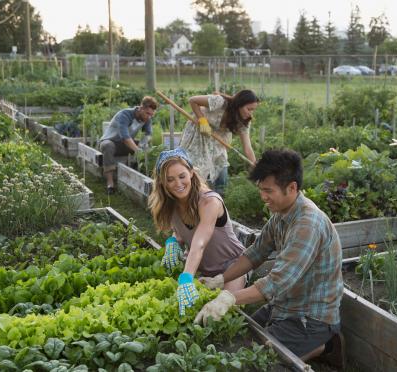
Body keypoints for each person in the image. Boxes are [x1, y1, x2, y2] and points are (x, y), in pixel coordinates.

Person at [194, 149, 345, 369]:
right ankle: (324, 347)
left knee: (253, 362)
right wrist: (220, 279)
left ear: (292, 188)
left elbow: (277, 281)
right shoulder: (282, 214)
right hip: (283, 305)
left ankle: (324, 342)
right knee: (240, 336)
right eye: (260, 189)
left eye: (268, 190)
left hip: (310, 317)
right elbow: (255, 253)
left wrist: (228, 298)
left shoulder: (308, 224)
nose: (263, 197)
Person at [147, 147, 247, 316]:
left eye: (182, 176)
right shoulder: (171, 203)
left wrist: (186, 278)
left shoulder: (209, 201)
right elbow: (181, 231)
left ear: (191, 173)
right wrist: (173, 241)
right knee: (181, 310)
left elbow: (199, 243)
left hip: (232, 267)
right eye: (170, 179)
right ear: (162, 182)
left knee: (222, 313)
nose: (178, 184)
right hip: (202, 270)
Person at [180, 90, 259, 196]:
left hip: (218, 140)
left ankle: (219, 199)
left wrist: (254, 165)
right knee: (197, 168)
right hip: (199, 133)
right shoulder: (220, 102)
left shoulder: (243, 122)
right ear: (239, 104)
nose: (250, 113)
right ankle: (194, 195)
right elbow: (193, 100)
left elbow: (247, 147)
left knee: (221, 167)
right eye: (249, 109)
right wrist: (202, 119)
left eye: (253, 110)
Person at [99, 96, 158, 194]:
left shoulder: (147, 119)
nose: (149, 117)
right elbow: (125, 138)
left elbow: (148, 134)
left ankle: (144, 175)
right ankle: (110, 184)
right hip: (111, 141)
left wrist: (143, 144)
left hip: (125, 144)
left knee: (149, 148)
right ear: (141, 108)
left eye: (151, 115)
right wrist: (138, 151)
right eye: (147, 113)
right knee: (107, 146)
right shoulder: (125, 114)